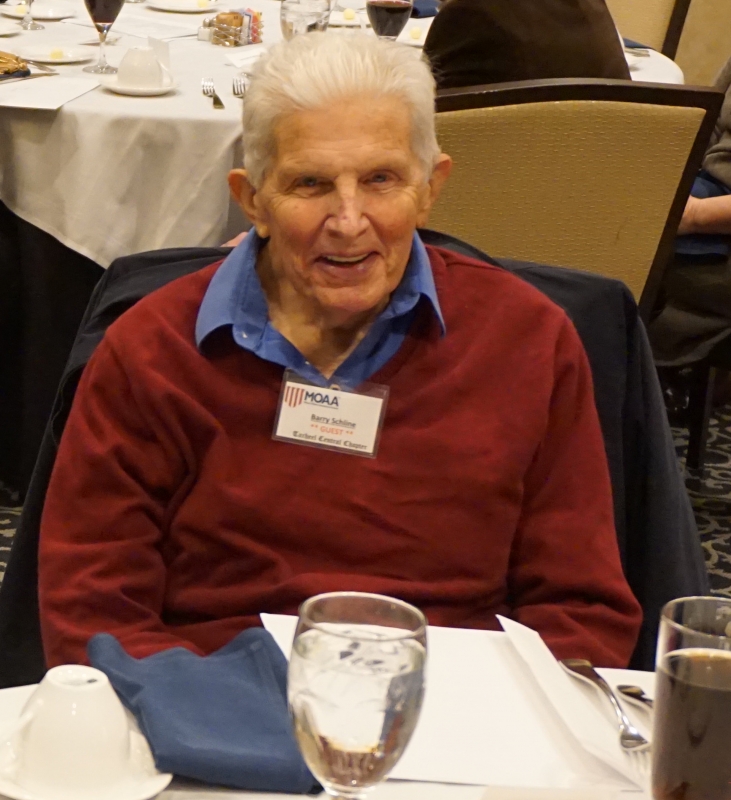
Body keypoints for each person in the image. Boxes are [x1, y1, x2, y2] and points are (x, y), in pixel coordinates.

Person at [38, 32, 641, 669]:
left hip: (457, 705)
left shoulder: (527, 341)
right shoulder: (152, 352)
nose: (349, 221)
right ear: (252, 200)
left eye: (381, 180)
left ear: (431, 187)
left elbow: (581, 609)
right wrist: (218, 714)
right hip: (215, 700)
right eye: (311, 183)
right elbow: (93, 609)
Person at [649, 54, 731, 366]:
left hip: (717, 218)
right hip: (708, 188)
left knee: (617, 253)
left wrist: (695, 215)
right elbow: (709, 123)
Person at [423, 0, 630, 91]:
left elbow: (419, 124)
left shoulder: (468, 15)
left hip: (504, 164)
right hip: (601, 161)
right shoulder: (591, 7)